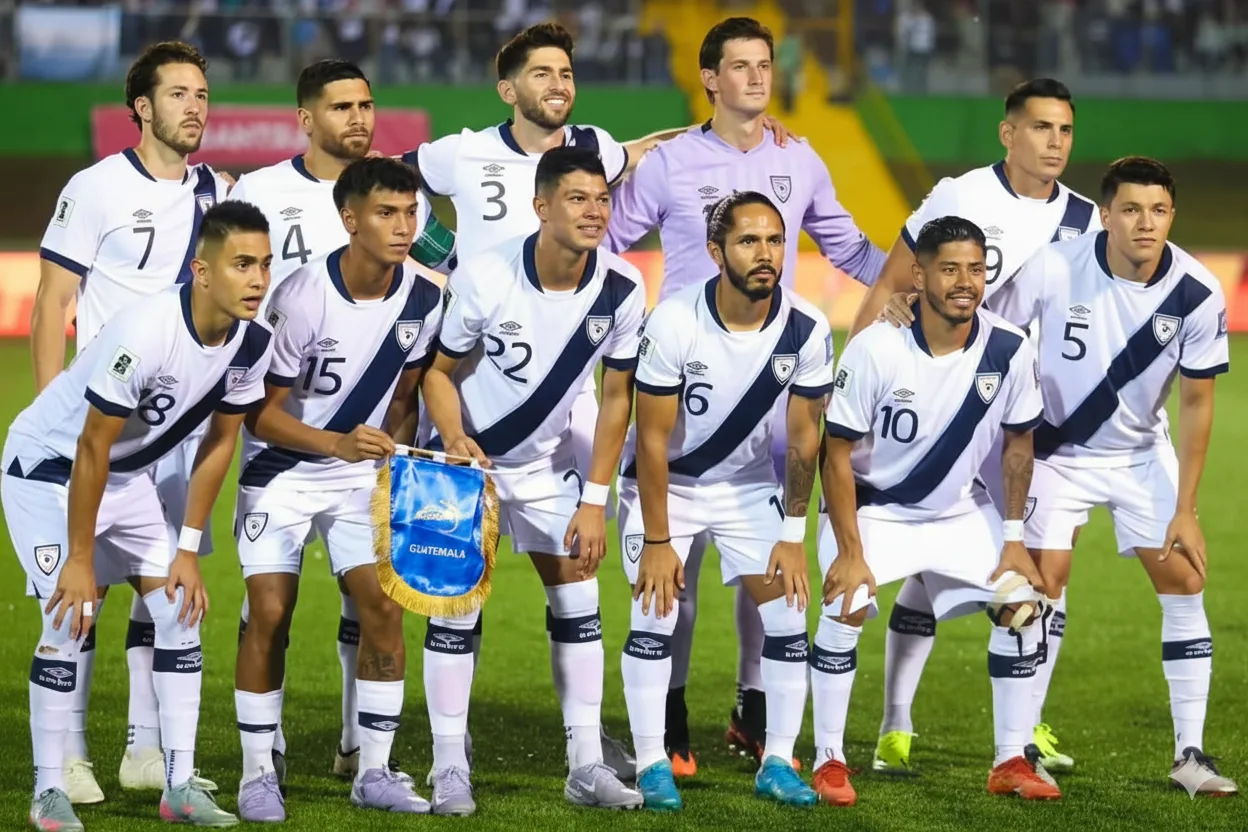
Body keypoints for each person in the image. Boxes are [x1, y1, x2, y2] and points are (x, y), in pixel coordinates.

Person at [604, 16, 886, 775]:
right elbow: (606, 242)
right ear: (710, 78)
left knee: (767, 563)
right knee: (678, 572)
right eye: (741, 65)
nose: (759, 77)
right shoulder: (669, 165)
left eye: (765, 63)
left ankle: (753, 708)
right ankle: (670, 716)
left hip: (771, 382)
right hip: (683, 375)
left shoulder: (802, 158)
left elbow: (851, 248)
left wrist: (916, 281)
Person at [848, 78, 1100, 776]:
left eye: (1066, 131)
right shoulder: (961, 195)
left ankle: (1023, 731)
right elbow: (894, 283)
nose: (1055, 143)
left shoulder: (1086, 219)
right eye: (1042, 128)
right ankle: (896, 724)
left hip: (1031, 415)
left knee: (1042, 571)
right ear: (1007, 133)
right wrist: (858, 391)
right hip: (948, 405)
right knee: (934, 568)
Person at [4, 200, 275, 831]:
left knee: (179, 612)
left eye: (264, 264)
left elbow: (217, 445)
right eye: (242, 265)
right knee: (69, 618)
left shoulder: (251, 343)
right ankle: (49, 791)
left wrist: (186, 547)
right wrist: (79, 560)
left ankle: (179, 785)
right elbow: (90, 446)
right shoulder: (145, 332)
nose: (258, 279)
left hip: (124, 480)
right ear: (202, 272)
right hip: (47, 471)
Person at [227, 57, 452, 785]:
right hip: (282, 462)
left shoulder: (426, 295)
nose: (404, 226)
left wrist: (409, 463)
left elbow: (411, 390)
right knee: (270, 610)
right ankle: (260, 765)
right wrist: (335, 441)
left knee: (384, 608)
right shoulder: (290, 274)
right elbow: (261, 408)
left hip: (360, 471)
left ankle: (372, 767)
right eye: (389, 214)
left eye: (410, 215)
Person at [987, 157, 1237, 796]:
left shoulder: (1199, 292)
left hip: (1139, 458)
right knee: (1034, 593)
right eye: (1131, 209)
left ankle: (1191, 755)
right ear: (1106, 215)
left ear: (1172, 215)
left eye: (1157, 210)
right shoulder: (1055, 264)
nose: (1145, 223)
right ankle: (1017, 752)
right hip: (1057, 457)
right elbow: (993, 330)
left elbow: (1198, 402)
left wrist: (1187, 508)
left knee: (1185, 584)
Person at [31, 40, 231, 801]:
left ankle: (143, 751)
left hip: (177, 434)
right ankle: (72, 752)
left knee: (167, 594)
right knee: (82, 587)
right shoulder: (95, 188)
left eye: (203, 94)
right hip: (100, 427)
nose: (195, 107)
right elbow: (53, 303)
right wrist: (55, 411)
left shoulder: (216, 193)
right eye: (178, 93)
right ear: (142, 107)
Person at [420, 147, 647, 814]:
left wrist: (594, 501)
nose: (594, 210)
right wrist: (456, 439)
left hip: (548, 473)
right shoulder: (487, 277)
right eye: (577, 198)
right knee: (455, 619)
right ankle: (447, 767)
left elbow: (615, 399)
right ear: (541, 206)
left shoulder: (623, 287)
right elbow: (438, 372)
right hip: (469, 471)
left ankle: (585, 765)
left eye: (602, 198)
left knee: (579, 609)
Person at [812, 216, 1056, 806]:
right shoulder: (875, 345)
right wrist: (849, 551)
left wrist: (1015, 536)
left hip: (956, 513)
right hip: (875, 511)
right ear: (918, 275)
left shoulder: (1008, 347)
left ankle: (1009, 759)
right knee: (844, 605)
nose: (965, 282)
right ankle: (829, 760)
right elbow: (834, 452)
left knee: (1023, 609)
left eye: (976, 269)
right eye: (949, 269)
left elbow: (1020, 445)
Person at [620, 191, 833, 810]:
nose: (765, 254)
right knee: (654, 616)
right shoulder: (674, 322)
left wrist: (793, 538)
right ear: (716, 252)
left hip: (746, 491)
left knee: (790, 618)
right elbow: (653, 442)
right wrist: (659, 542)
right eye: (748, 241)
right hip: (667, 489)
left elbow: (802, 439)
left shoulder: (808, 327)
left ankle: (777, 761)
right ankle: (654, 761)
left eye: (775, 241)